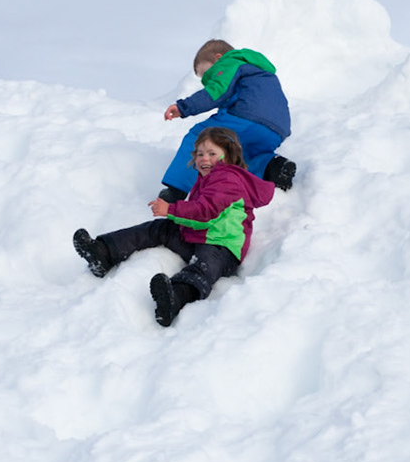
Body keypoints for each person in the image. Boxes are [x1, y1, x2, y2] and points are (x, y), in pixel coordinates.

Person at [74, 126, 276, 326]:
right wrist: (174, 217)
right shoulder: (208, 179)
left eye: (212, 153)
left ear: (229, 156)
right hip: (198, 235)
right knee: (158, 229)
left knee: (202, 269)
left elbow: (205, 211)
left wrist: (171, 209)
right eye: (200, 154)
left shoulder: (228, 179)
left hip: (222, 247)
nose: (204, 158)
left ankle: (175, 297)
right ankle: (103, 253)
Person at [159, 38, 296, 202]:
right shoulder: (261, 72)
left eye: (207, 74)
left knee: (201, 137)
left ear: (218, 57)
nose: (208, 81)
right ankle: (273, 167)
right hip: (276, 130)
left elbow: (217, 91)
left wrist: (183, 107)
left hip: (245, 116)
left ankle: (176, 189)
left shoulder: (230, 62)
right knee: (243, 156)